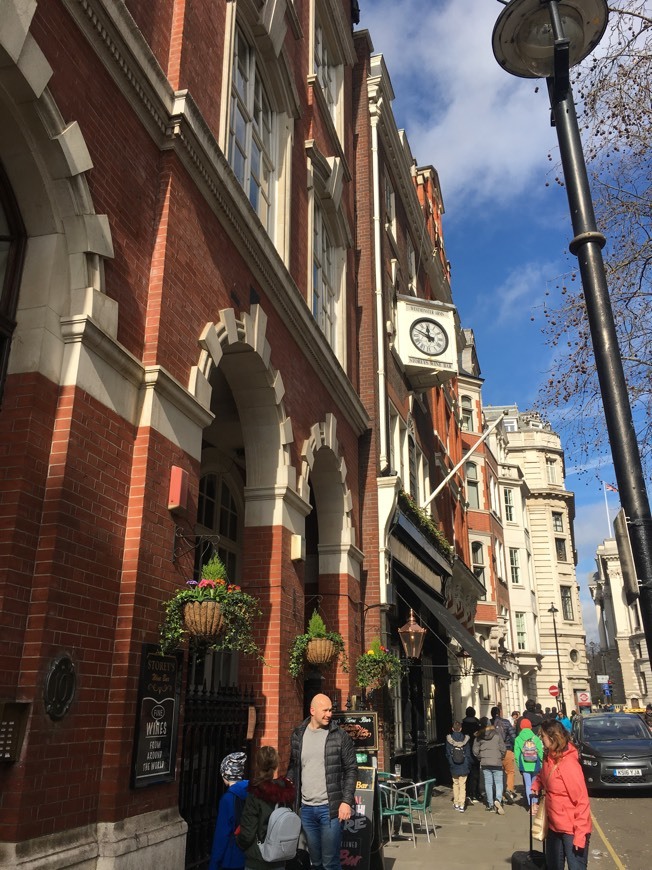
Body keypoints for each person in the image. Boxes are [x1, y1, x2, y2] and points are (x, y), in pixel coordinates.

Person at [287, 694, 356, 870]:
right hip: (307, 809)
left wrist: (346, 802)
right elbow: (294, 767)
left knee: (330, 863)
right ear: (312, 711)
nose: (329, 714)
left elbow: (351, 769)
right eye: (325, 710)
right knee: (315, 862)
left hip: (330, 809)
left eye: (330, 710)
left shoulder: (339, 736)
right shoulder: (298, 734)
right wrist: (288, 786)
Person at [531, 720, 592, 869]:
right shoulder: (549, 757)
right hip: (553, 826)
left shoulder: (568, 764)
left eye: (542, 736)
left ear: (552, 737)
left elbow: (582, 801)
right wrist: (535, 788)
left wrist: (580, 835)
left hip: (572, 830)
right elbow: (543, 776)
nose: (540, 739)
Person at [236, 746, 296, 870]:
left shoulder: (255, 793)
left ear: (257, 765)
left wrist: (239, 841)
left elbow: (248, 832)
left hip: (258, 858)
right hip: (279, 855)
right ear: (276, 765)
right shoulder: (285, 792)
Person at [209, 752, 249, 870]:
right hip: (248, 854)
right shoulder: (251, 791)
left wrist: (214, 863)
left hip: (231, 857)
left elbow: (222, 834)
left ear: (225, 774)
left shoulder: (227, 799)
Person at [473, 716, 506, 814]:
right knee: (499, 783)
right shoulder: (497, 734)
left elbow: (475, 751)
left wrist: (480, 757)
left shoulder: (478, 736)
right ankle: (498, 800)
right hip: (497, 761)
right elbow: (503, 748)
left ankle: (490, 805)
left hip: (485, 762)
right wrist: (501, 756)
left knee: (488, 783)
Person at [490, 705, 517, 804]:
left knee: (497, 773)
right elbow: (513, 735)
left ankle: (499, 794)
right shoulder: (506, 722)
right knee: (510, 772)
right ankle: (509, 791)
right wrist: (513, 748)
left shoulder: (490, 723)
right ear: (500, 713)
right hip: (507, 749)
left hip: (494, 752)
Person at [514, 718, 543, 807]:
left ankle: (531, 805)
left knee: (528, 785)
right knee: (535, 784)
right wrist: (542, 762)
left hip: (524, 764)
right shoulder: (535, 738)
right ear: (530, 727)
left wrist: (519, 765)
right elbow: (541, 752)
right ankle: (535, 803)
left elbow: (516, 754)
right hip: (535, 764)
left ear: (521, 727)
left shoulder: (518, 739)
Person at [445, 721, 472, 812]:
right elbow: (468, 754)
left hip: (454, 766)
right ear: (461, 728)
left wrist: (451, 763)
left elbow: (448, 754)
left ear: (452, 729)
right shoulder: (465, 739)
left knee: (455, 784)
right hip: (464, 765)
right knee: (462, 785)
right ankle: (462, 805)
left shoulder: (449, 739)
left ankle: (456, 803)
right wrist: (468, 764)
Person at [461, 706, 483, 804]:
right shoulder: (477, 725)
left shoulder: (463, 725)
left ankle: (468, 793)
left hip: (465, 751)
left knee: (467, 773)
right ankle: (476, 792)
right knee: (476, 772)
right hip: (476, 751)